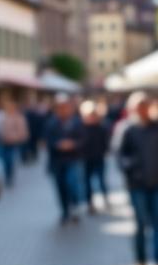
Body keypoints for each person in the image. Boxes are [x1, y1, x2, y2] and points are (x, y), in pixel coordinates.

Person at [119, 92, 158, 265]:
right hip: (138, 186)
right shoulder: (127, 130)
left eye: (144, 105)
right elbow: (120, 157)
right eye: (138, 106)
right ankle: (141, 261)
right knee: (141, 225)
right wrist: (133, 167)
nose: (142, 110)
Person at [43, 94, 85, 224]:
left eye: (65, 107)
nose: (63, 110)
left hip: (73, 159)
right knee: (60, 187)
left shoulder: (77, 122)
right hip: (57, 161)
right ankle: (65, 211)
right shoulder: (51, 123)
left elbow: (84, 140)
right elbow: (47, 142)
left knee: (72, 183)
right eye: (60, 107)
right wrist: (58, 145)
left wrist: (73, 144)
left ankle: (75, 205)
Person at [80, 99, 110, 212]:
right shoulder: (81, 127)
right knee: (87, 182)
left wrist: (105, 151)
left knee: (101, 179)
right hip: (86, 158)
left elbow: (105, 141)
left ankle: (105, 198)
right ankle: (90, 202)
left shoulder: (101, 127)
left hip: (98, 157)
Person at [0, 97, 29, 185]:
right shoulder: (1, 116)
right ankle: (7, 175)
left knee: (10, 159)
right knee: (4, 160)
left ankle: (10, 176)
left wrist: (15, 138)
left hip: (13, 142)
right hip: (3, 141)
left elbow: (22, 131)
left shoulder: (18, 117)